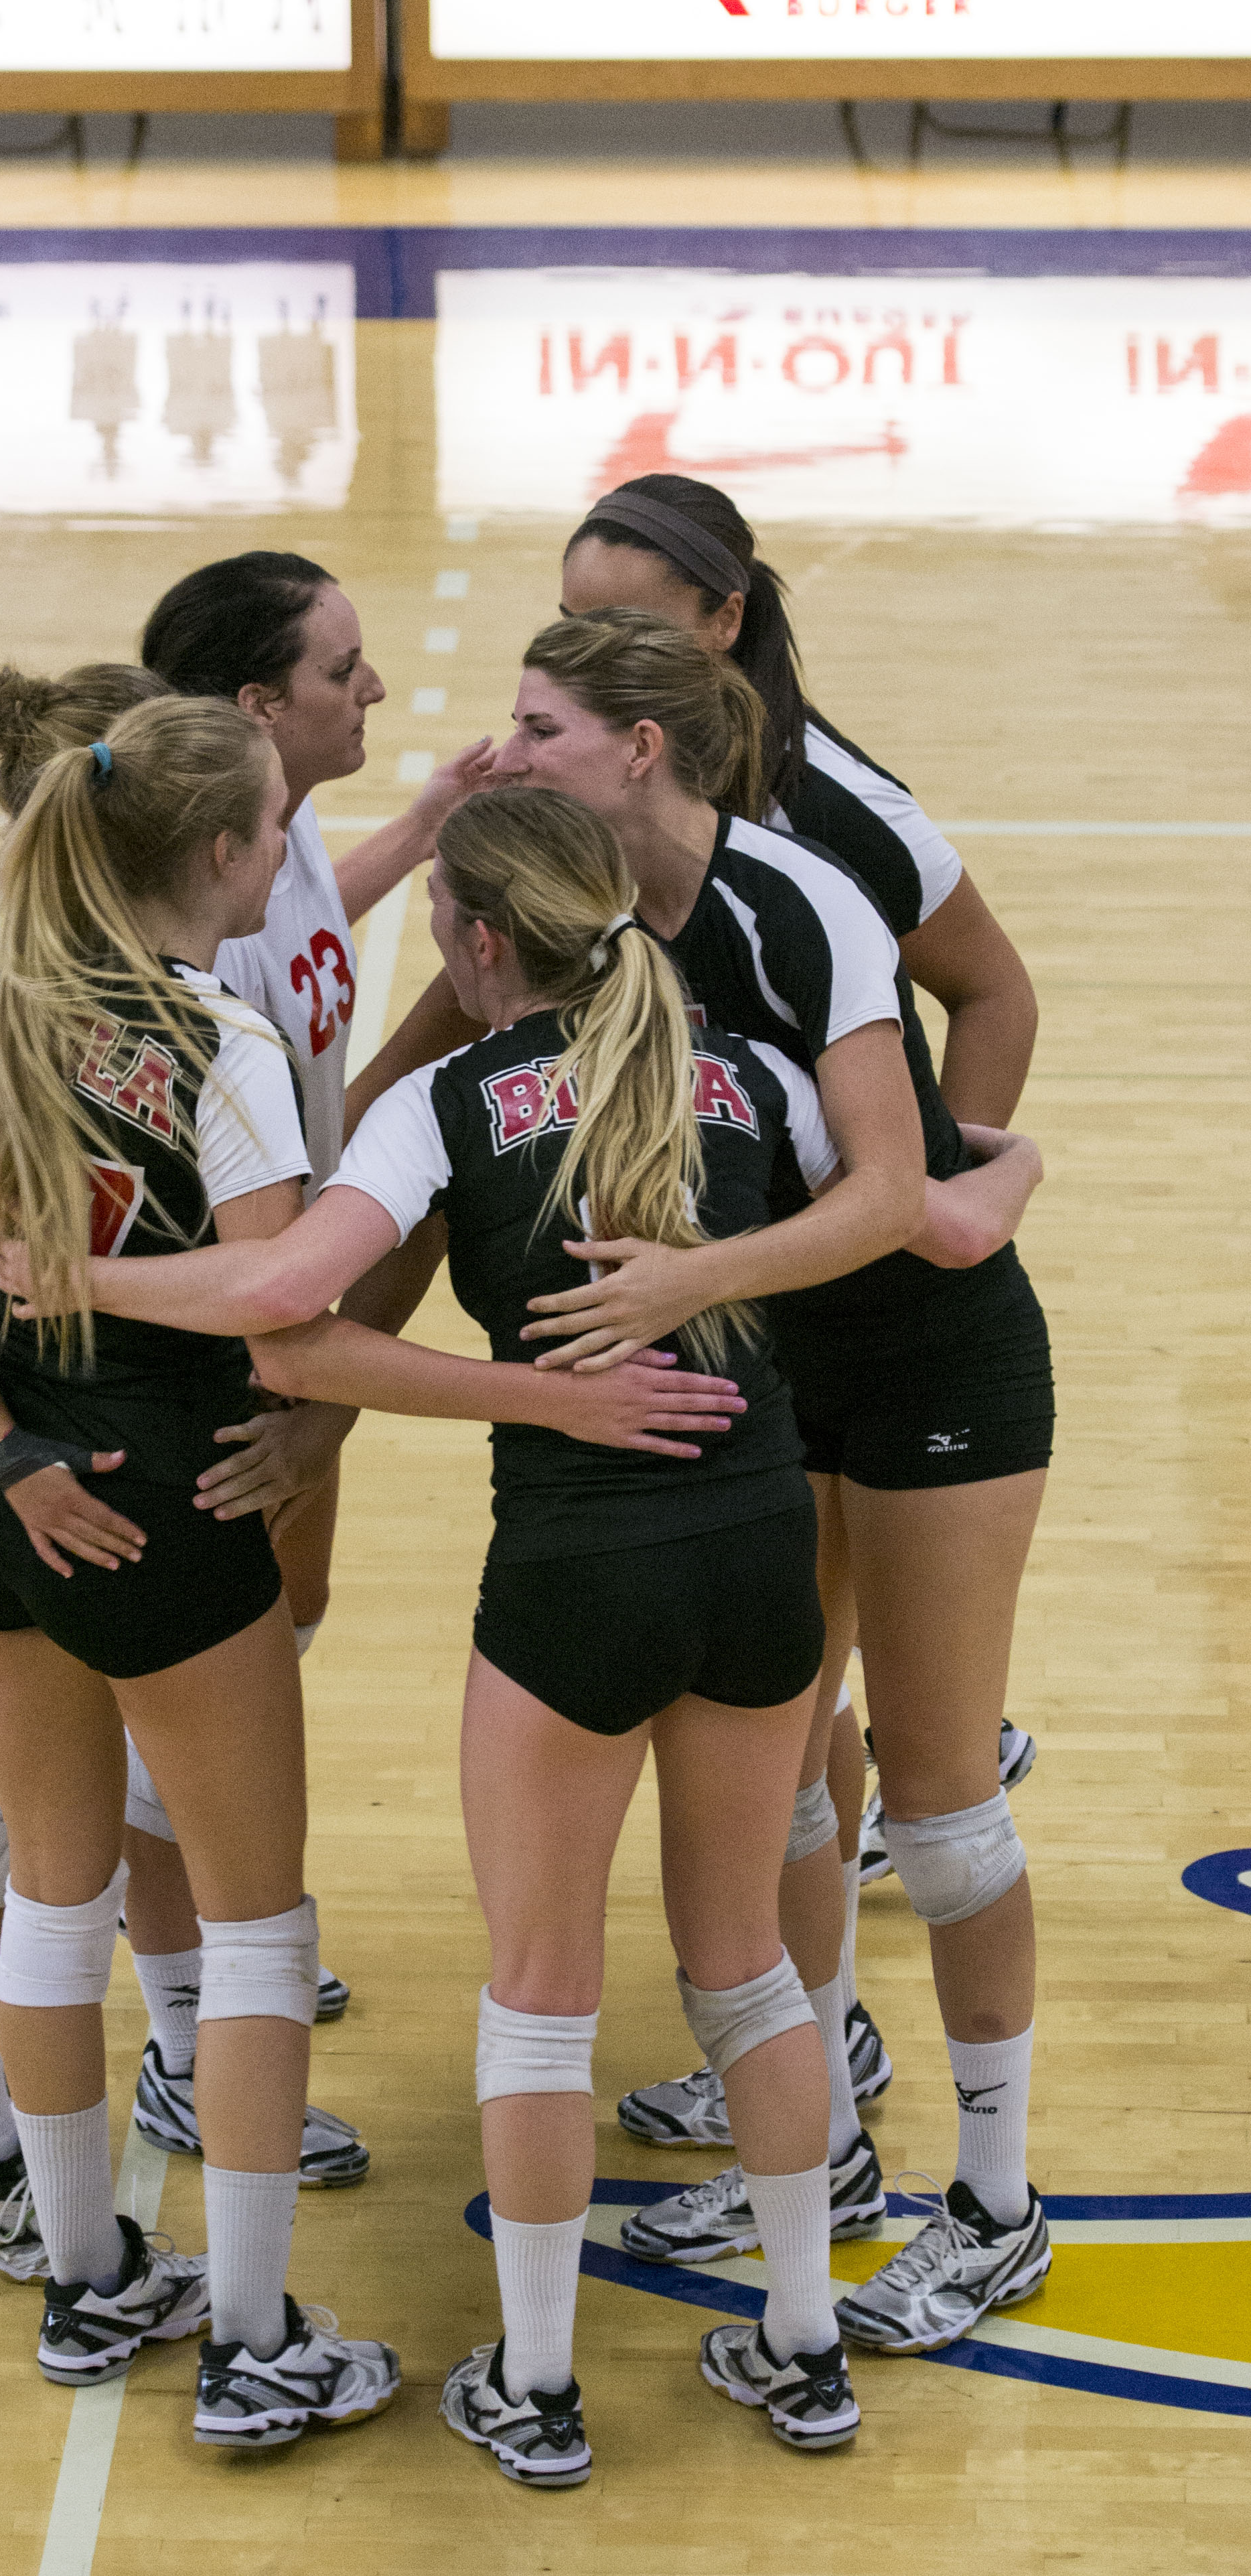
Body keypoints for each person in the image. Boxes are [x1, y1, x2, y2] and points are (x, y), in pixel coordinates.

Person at [0, 784, 969, 2473]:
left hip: (577, 1575)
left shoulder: (440, 1104)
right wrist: (1006, 1167)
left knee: (542, 1994)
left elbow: (287, 1320)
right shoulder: (755, 1072)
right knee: (748, 1965)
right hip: (755, 1554)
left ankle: (538, 2387)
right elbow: (919, 1218)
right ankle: (806, 2351)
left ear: (475, 939)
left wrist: (84, 1282)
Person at [0, 695, 409, 2441]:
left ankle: (84, 2281)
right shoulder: (220, 1043)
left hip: (1, 1484)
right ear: (221, 853)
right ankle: (260, 2333)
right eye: (278, 815)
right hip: (160, 1500)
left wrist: (10, 1296)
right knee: (260, 1931)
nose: (293, 842)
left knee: (51, 1895)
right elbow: (282, 1309)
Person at [485, 613, 1053, 2356]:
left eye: (538, 724)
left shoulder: (800, 904)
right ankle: (823, 2139)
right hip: (765, 1376)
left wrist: (686, 1285)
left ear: (640, 748)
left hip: (929, 1363)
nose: (506, 752)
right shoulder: (570, 911)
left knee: (941, 1809)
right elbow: (438, 1094)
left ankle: (1000, 2206)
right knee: (788, 1766)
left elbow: (892, 1193)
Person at [558, 475, 1041, 2009]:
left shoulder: (835, 813)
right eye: (573, 627)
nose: (591, 657)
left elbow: (999, 992)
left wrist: (931, 1190)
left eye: (627, 627)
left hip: (871, 1325)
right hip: (750, 1336)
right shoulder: (582, 804)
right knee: (779, 1731)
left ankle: (968, 2181)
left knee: (917, 1785)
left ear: (725, 620)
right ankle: (822, 2093)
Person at [129, 550, 491, 2078]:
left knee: (282, 1622)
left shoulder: (260, 826)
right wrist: (309, 1376)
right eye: (345, 670)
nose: (378, 689)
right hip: (221, 1322)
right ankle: (182, 2017)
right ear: (255, 705)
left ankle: (210, 1954)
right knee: (195, 1677)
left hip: (284, 1295)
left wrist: (410, 836)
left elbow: (300, 946)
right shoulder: (193, 884)